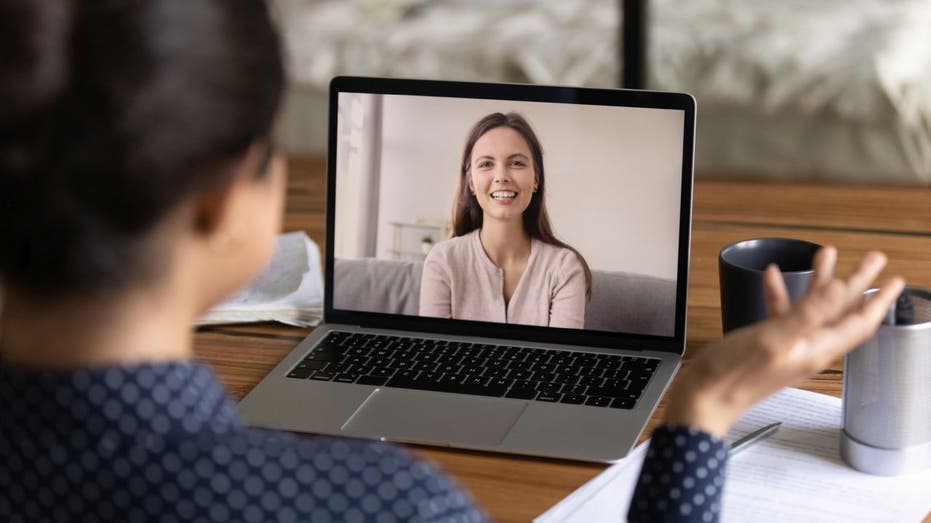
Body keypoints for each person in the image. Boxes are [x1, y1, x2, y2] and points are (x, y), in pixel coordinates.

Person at [0, 1, 904, 522]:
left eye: (517, 161)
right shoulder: (388, 505)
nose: (501, 176)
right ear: (222, 196)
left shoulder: (561, 264)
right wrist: (700, 411)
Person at [419, 112, 592, 328]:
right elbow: (435, 352)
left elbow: (563, 357)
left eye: (517, 163)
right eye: (486, 164)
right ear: (471, 182)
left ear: (536, 178)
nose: (501, 176)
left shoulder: (564, 268)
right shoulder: (443, 261)